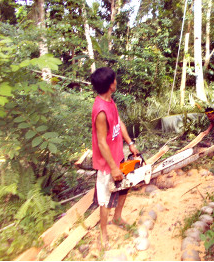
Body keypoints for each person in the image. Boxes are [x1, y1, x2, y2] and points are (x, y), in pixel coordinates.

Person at [89, 67, 140, 253]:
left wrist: (130, 143)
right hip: (106, 164)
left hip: (118, 156)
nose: (116, 82)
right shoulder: (100, 110)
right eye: (115, 80)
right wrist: (113, 168)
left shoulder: (111, 102)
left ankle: (117, 217)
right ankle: (103, 233)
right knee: (104, 199)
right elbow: (101, 143)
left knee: (124, 188)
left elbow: (119, 123)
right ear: (111, 85)